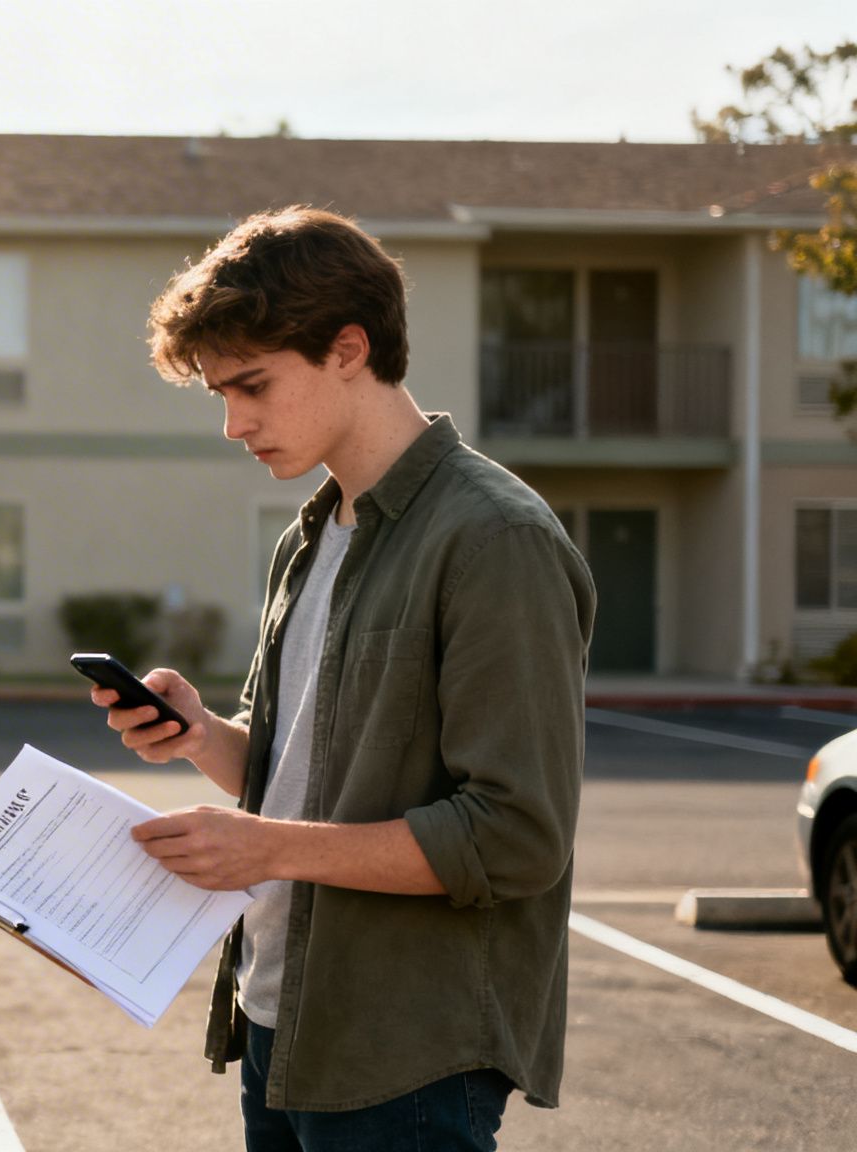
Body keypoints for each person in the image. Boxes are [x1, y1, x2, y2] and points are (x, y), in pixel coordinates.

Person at [91, 206, 595, 1151]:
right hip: (281, 1026)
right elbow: (310, 788)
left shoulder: (496, 539)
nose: (234, 424)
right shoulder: (313, 534)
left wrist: (267, 849)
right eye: (218, 395)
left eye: (252, 386)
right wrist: (203, 736)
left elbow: (518, 838)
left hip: (405, 1054)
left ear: (349, 348)